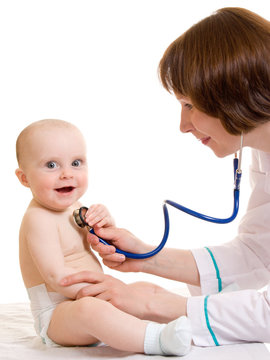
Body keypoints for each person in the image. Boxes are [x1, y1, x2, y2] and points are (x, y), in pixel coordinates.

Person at [61, 7, 270, 347]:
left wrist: (155, 303)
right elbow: (259, 254)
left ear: (234, 91)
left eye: (189, 105)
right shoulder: (264, 151)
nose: (183, 125)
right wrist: (146, 257)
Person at [15, 118, 192, 355]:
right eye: (51, 165)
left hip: (93, 298)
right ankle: (158, 339)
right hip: (59, 316)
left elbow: (103, 246)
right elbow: (57, 277)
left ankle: (201, 313)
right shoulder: (38, 219)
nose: (67, 174)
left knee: (143, 288)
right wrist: (106, 292)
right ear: (24, 178)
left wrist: (106, 225)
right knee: (90, 311)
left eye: (76, 162)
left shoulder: (74, 206)